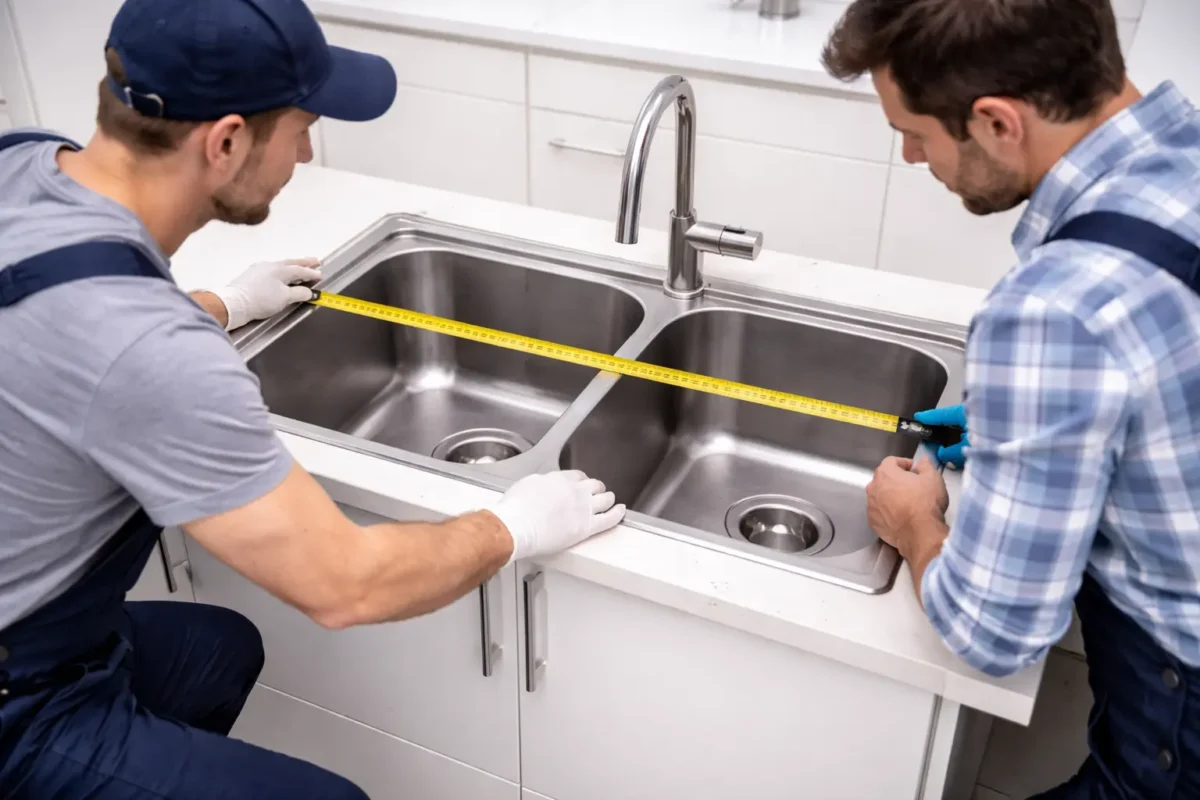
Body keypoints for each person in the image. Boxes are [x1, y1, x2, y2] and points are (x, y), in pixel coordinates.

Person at [0, 0, 626, 797]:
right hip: (22, 704)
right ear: (225, 142)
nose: (305, 150)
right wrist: (512, 527)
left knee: (219, 649)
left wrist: (221, 304)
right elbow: (347, 584)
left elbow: (59, 328)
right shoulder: (151, 350)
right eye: (300, 126)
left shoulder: (27, 163)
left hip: (34, 631)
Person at [822, 1, 1200, 797]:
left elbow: (993, 633)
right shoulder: (1181, 160)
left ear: (996, 122)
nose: (910, 156)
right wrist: (1024, 431)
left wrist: (916, 524)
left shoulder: (1054, 310)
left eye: (916, 132)